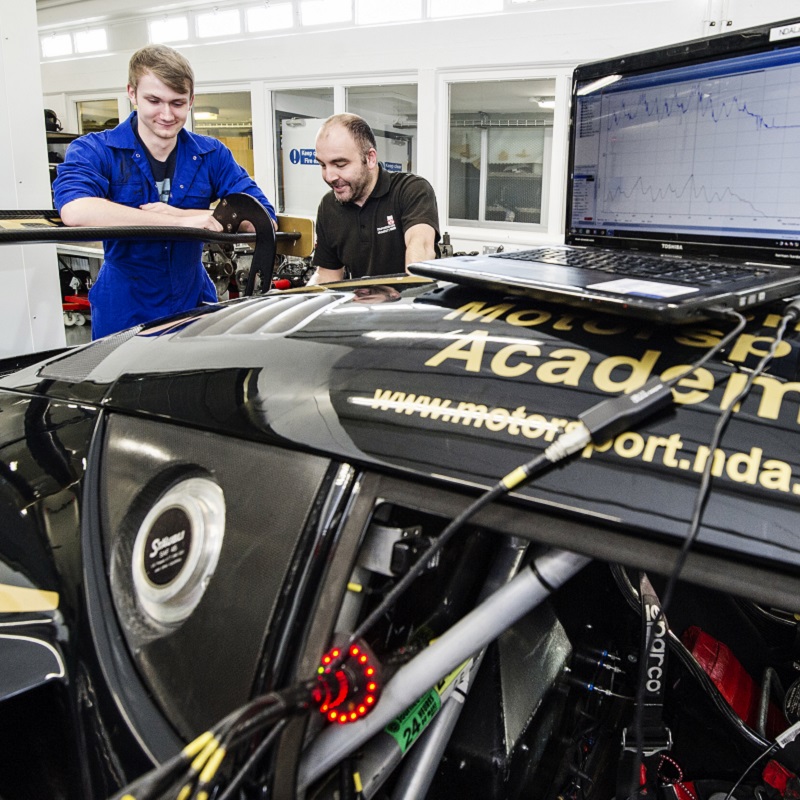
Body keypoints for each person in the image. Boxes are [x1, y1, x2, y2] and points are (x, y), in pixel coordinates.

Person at [53, 44, 277, 339]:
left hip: (194, 305)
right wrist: (177, 222)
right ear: (131, 93)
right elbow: (76, 210)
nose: (167, 114)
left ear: (191, 100)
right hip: (124, 309)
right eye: (154, 100)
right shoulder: (96, 149)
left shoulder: (211, 154)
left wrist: (185, 214)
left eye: (177, 102)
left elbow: (263, 218)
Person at [311, 113, 439, 284]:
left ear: (370, 158)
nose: (329, 176)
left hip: (411, 304)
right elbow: (327, 274)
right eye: (322, 165)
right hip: (362, 307)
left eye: (340, 164)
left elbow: (421, 250)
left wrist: (410, 297)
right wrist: (297, 301)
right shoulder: (329, 206)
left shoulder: (410, 190)